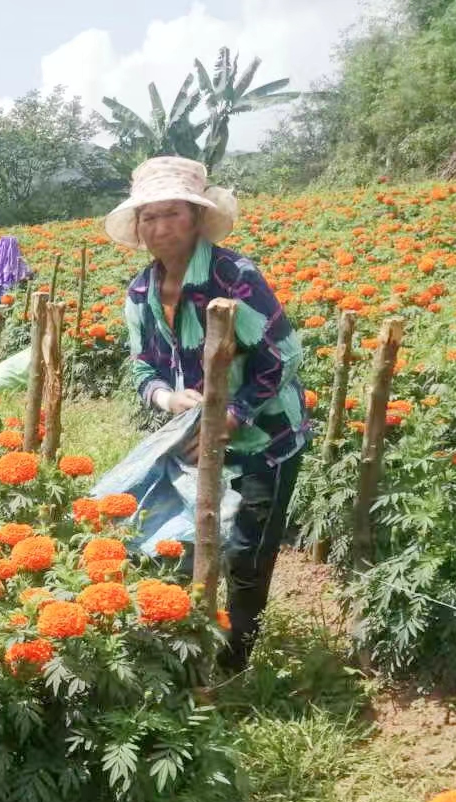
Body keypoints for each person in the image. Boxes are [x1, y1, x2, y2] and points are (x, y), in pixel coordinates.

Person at [107, 156, 309, 671]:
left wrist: (234, 415)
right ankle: (187, 647)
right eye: (148, 217)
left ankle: (233, 665)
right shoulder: (140, 292)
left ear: (197, 218)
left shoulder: (234, 277)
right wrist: (168, 399)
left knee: (247, 552)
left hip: (265, 437)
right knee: (185, 539)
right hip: (195, 438)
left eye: (171, 213)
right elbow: (143, 369)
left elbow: (283, 356)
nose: (159, 227)